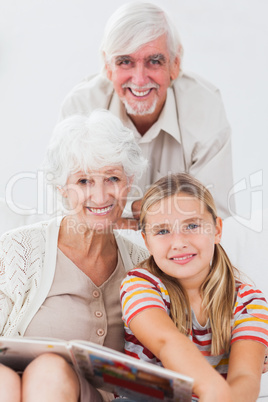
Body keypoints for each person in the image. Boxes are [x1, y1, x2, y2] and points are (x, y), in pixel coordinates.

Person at [0, 109, 149, 402]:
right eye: (83, 182)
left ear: (129, 183)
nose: (100, 196)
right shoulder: (17, 248)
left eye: (112, 178)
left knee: (49, 371)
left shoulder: (145, 265)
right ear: (62, 189)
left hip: (93, 395)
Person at [59, 2, 234, 225]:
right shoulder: (81, 107)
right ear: (108, 66)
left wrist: (115, 215)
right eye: (125, 62)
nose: (140, 79)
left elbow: (214, 218)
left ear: (175, 64)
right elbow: (66, 212)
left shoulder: (204, 106)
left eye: (154, 61)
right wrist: (140, 210)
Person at [120, 173, 268, 401]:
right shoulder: (140, 285)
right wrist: (211, 389)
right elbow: (166, 342)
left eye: (191, 225)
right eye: (162, 231)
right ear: (147, 241)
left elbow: (246, 378)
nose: (179, 242)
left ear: (217, 230)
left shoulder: (249, 302)